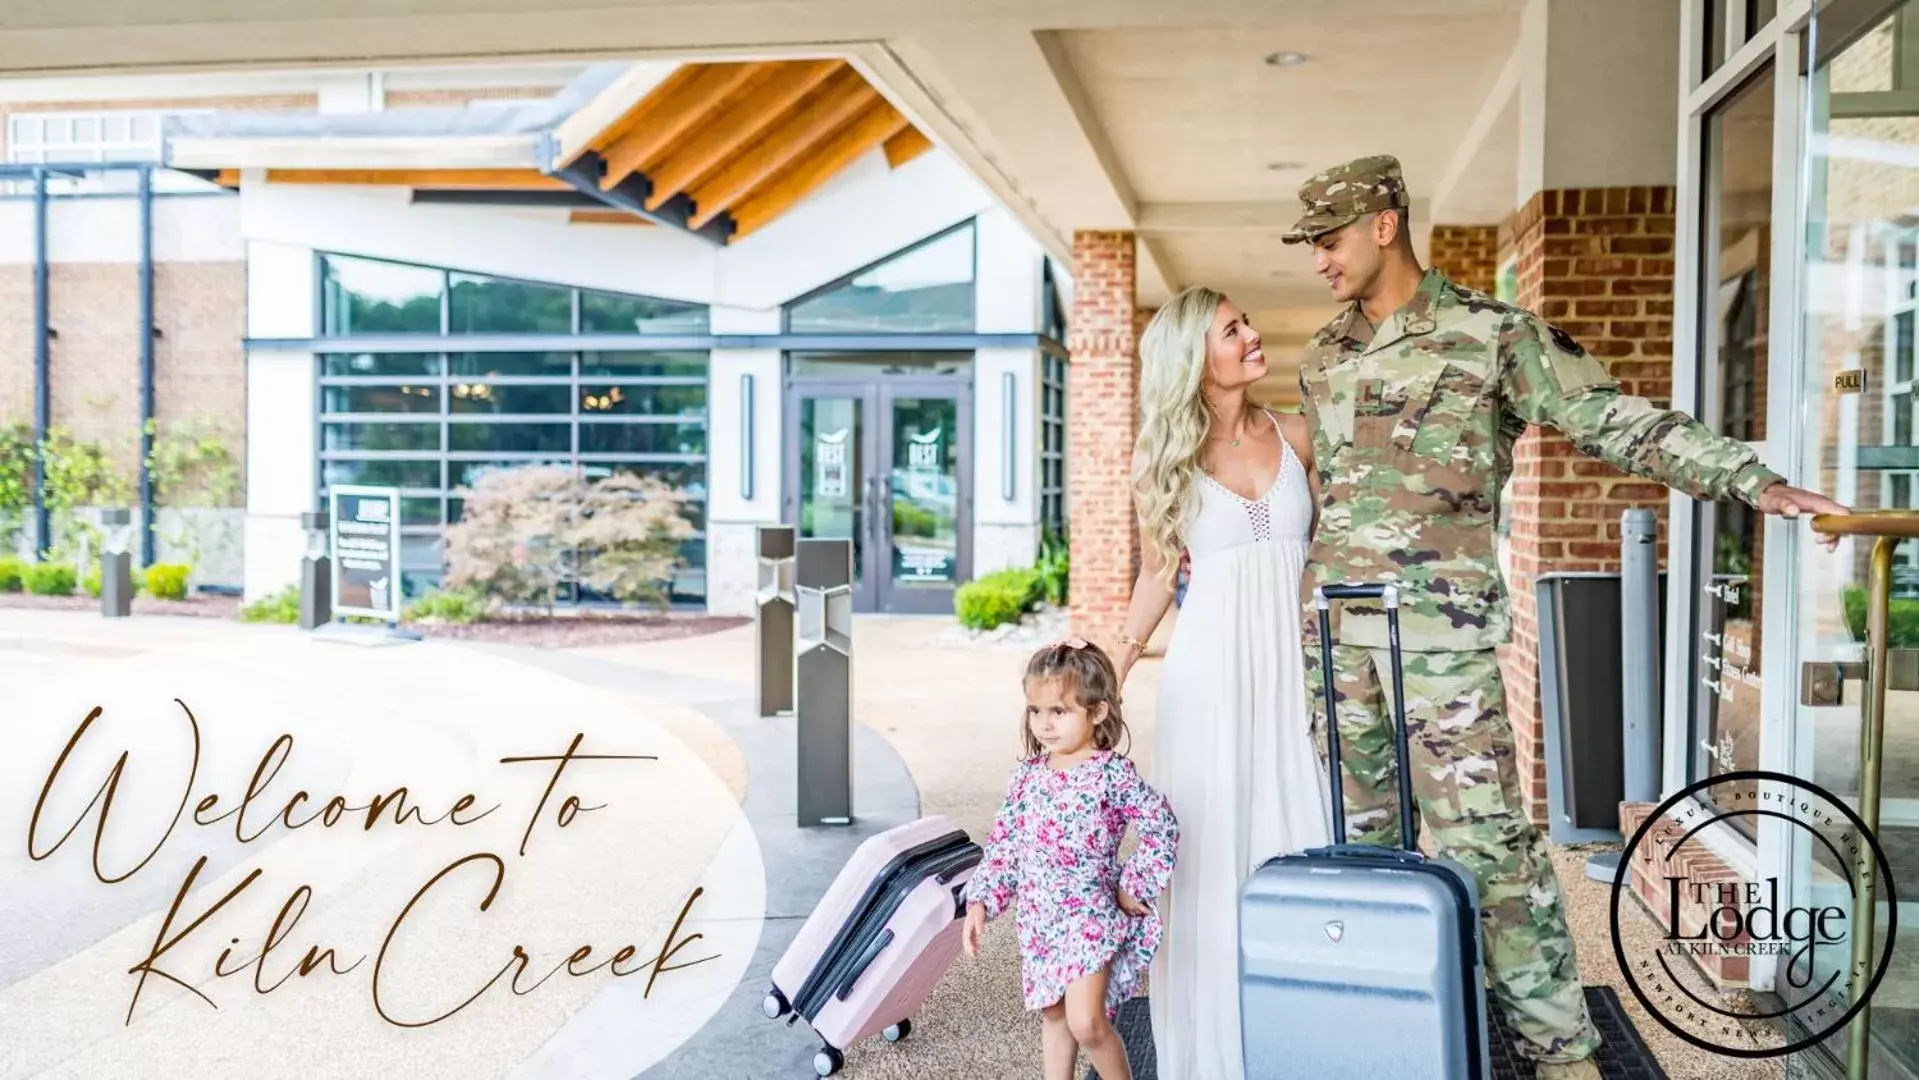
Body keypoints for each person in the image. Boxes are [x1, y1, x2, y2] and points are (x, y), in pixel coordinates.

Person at [1280, 154, 1847, 1080]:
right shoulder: (1322, 355)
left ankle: (1559, 1052)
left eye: (1328, 239)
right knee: (1360, 847)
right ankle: (1388, 1037)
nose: (1318, 260)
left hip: (1442, 642)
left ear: (1383, 225)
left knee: (1489, 846)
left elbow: (1611, 418)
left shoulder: (1492, 333)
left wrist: (1751, 480)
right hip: (1338, 641)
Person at [1110, 286, 1332, 1080]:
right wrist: (1110, 671)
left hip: (1292, 678)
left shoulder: (1299, 433)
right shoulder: (1162, 461)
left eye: (1244, 323)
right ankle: (1215, 1057)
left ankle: (1304, 1049)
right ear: (1194, 361)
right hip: (1207, 683)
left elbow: (1337, 544)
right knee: (1208, 859)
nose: (1251, 334)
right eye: (1231, 330)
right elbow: (1155, 575)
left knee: (1297, 836)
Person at [962, 637, 1179, 1080]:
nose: (1044, 723)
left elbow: (1162, 826)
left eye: (1059, 711)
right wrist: (982, 900)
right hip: (1039, 919)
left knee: (1087, 1022)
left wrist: (1133, 885)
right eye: (1035, 711)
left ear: (1096, 712)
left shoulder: (1111, 774)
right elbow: (1006, 844)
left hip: (1088, 915)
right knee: (1055, 1014)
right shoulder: (1028, 777)